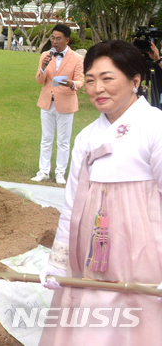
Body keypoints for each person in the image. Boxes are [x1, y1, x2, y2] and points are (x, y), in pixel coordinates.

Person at [38, 40, 162, 344]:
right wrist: (58, 261)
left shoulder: (155, 127)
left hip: (143, 251)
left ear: (135, 81)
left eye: (108, 79)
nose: (97, 89)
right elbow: (70, 205)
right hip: (89, 252)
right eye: (91, 80)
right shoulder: (86, 137)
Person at [31, 24, 84, 185]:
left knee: (63, 140)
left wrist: (71, 83)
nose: (54, 41)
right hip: (47, 102)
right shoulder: (46, 55)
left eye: (58, 39)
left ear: (67, 40)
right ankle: (43, 171)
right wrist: (43, 67)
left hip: (66, 102)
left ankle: (60, 173)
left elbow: (81, 81)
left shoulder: (77, 58)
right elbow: (40, 81)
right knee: (46, 139)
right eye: (53, 38)